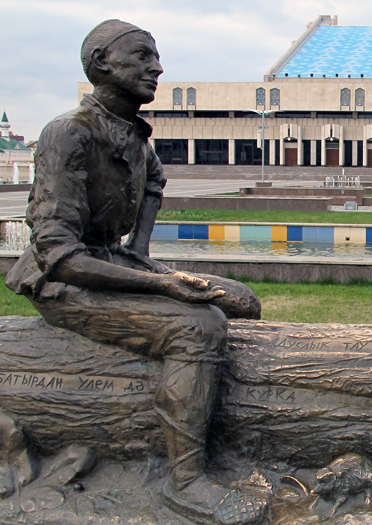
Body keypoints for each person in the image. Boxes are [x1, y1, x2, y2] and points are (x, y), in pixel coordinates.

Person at [5, 20, 265, 524]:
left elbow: (154, 186)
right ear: (103, 63)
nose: (157, 67)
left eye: (156, 57)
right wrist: (161, 284)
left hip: (112, 263)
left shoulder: (139, 142)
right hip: (63, 280)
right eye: (143, 56)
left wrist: (142, 256)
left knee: (242, 301)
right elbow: (59, 255)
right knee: (198, 326)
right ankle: (185, 481)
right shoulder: (68, 133)